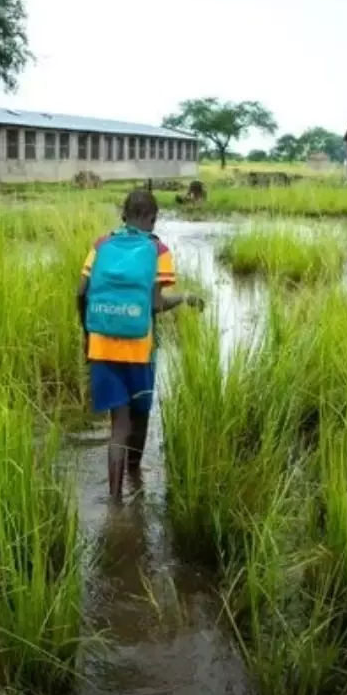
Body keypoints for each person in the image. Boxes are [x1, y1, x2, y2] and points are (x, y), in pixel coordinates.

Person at [78, 190, 203, 499]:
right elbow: (156, 305)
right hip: (139, 349)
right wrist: (184, 298)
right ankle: (135, 475)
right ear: (153, 218)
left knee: (118, 425)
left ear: (123, 215)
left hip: (101, 346)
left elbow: (81, 292)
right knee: (141, 414)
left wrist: (87, 336)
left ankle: (116, 501)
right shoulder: (157, 249)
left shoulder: (101, 245)